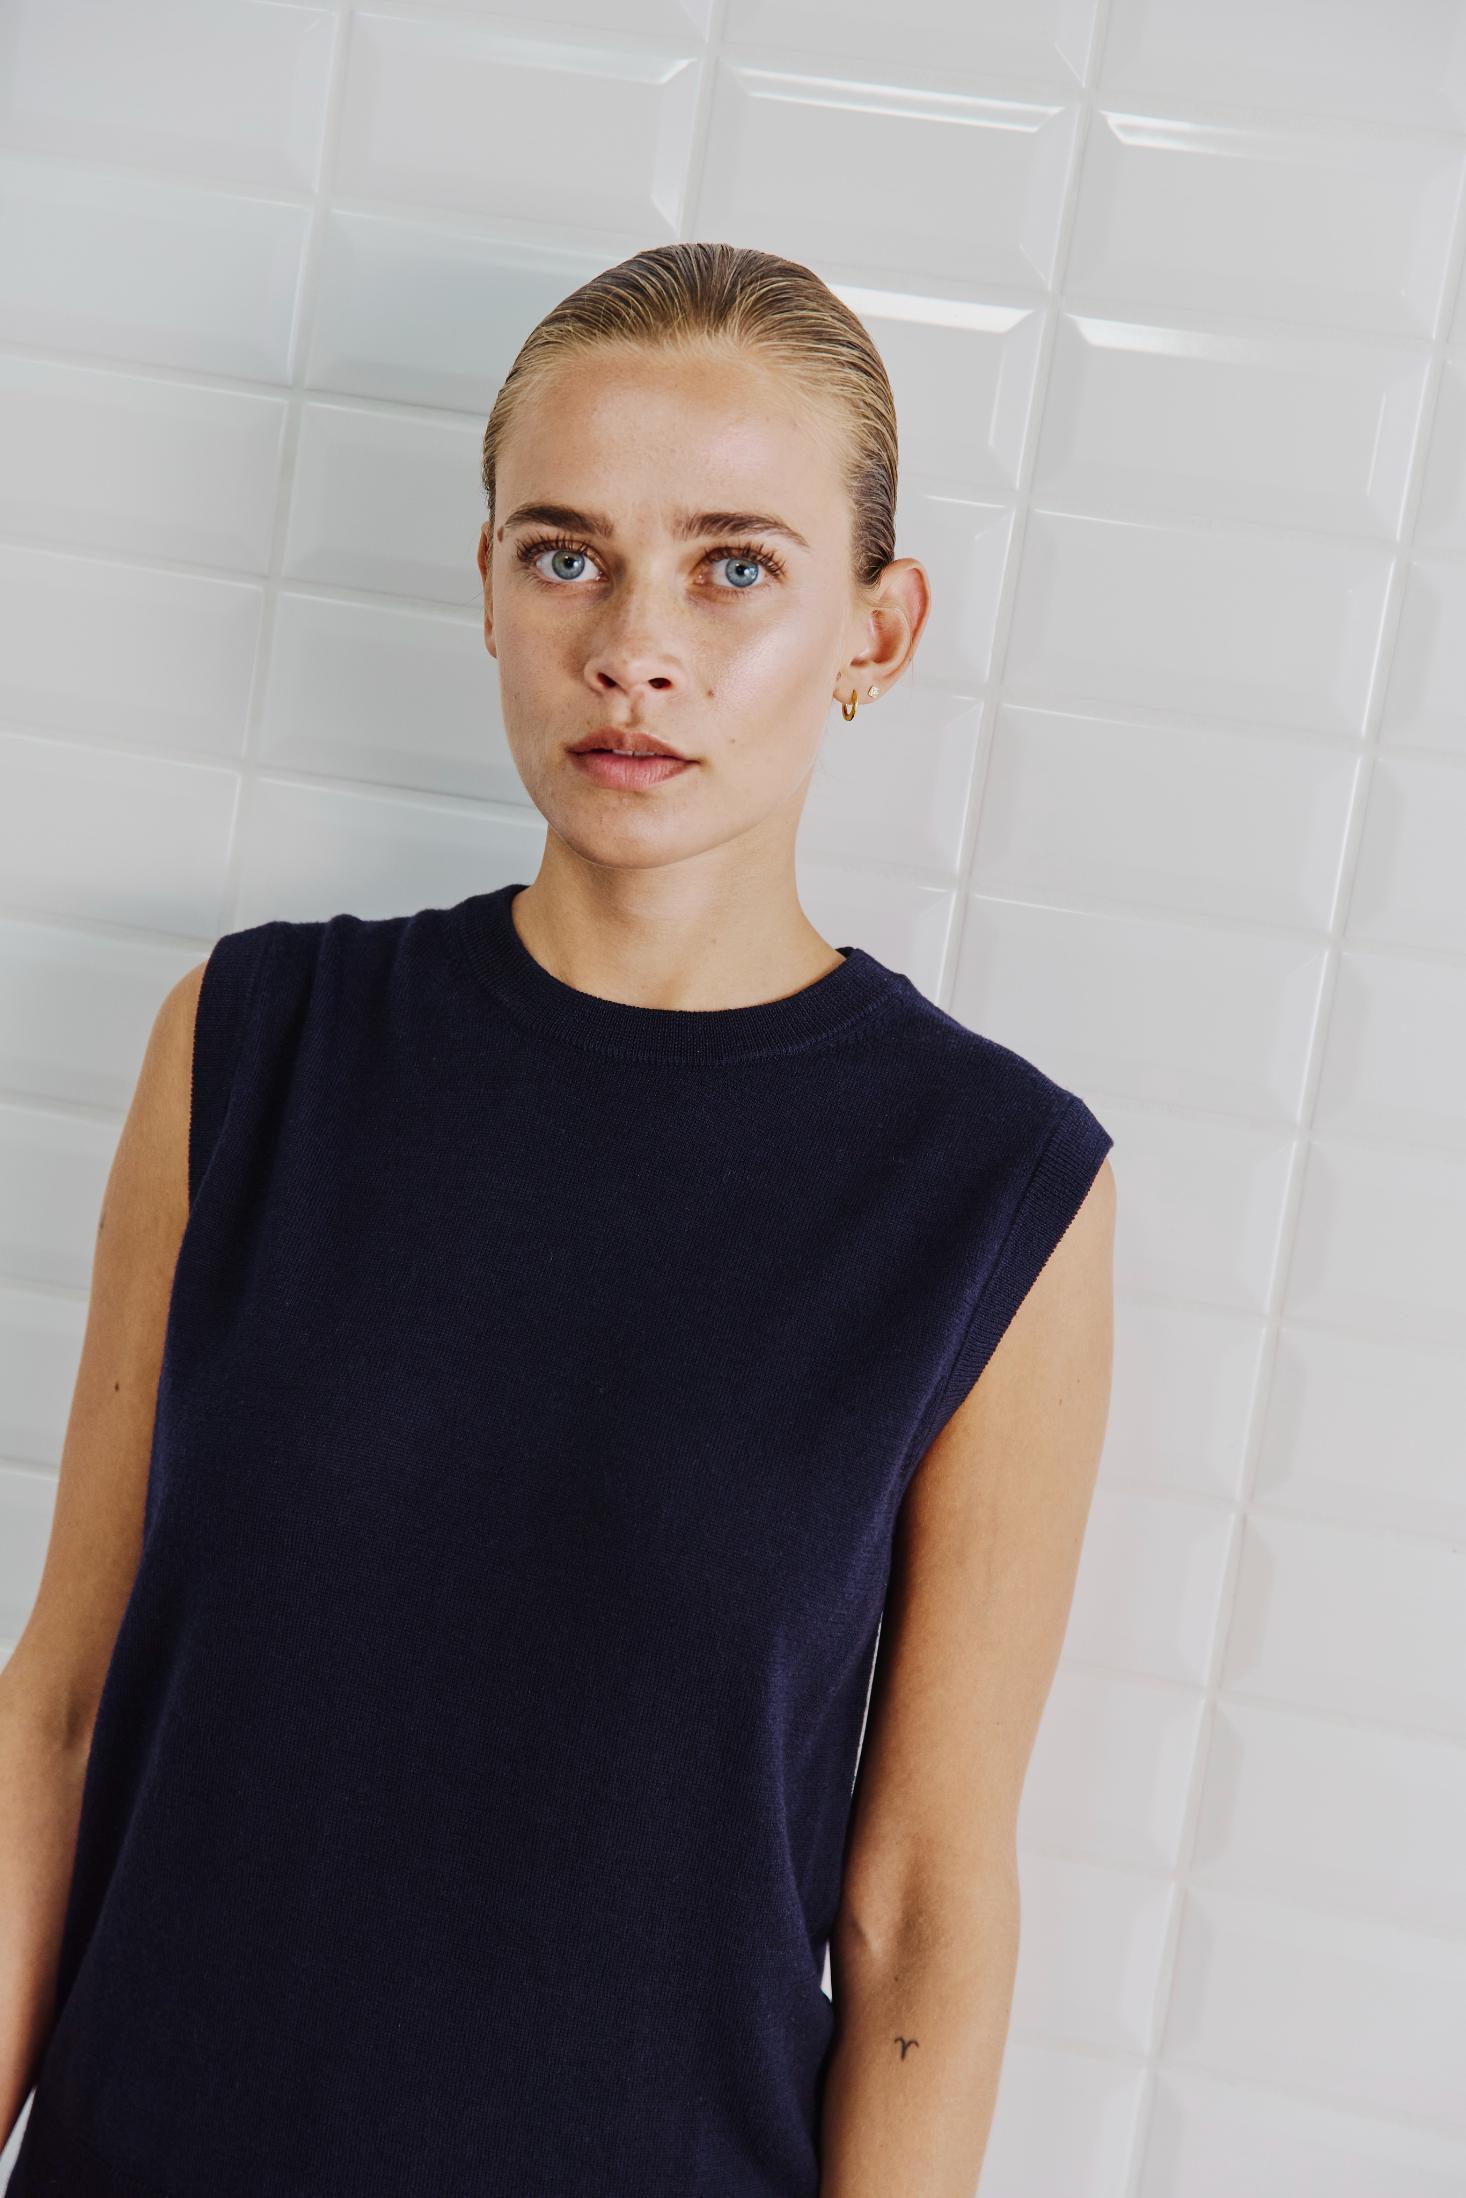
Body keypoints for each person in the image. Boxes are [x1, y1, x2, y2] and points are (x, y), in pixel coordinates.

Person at [0, 240, 1115, 2196]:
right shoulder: (256, 1044)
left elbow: (925, 1901)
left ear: (876, 628)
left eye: (735, 566)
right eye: (566, 553)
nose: (635, 646)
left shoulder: (985, 1183)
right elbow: (58, 1717)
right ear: (490, 590)